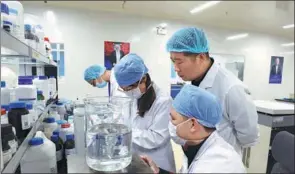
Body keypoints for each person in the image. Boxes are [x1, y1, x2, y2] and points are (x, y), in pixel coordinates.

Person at [166, 27, 259, 155]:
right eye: (173, 62)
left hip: (220, 162)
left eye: (179, 62)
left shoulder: (232, 88)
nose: (175, 68)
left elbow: (249, 137)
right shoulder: (193, 82)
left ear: (201, 57)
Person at [84, 53, 176, 173]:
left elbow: (157, 137)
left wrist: (127, 134)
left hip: (158, 162)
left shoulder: (163, 101)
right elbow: (125, 119)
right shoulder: (134, 96)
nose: (127, 93)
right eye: (124, 89)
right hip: (137, 159)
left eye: (128, 88)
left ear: (143, 79)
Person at [141, 84, 246, 173]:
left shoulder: (215, 165)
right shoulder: (195, 144)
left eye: (173, 118)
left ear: (192, 125)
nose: (170, 122)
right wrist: (158, 171)